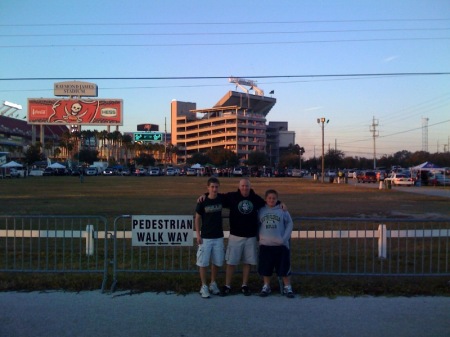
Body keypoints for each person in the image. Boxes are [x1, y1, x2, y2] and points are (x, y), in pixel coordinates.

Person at [198, 178, 286, 296]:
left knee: (247, 262)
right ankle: (227, 285)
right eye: (243, 186)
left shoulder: (255, 198)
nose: (245, 188)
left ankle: (244, 285)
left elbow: (269, 202)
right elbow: (215, 195)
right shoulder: (232, 197)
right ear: (239, 187)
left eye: (247, 186)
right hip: (235, 235)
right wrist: (204, 195)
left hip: (250, 236)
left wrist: (280, 203)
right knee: (231, 262)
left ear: (250, 187)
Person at [258, 189, 294, 298]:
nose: (271, 200)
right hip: (266, 244)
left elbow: (290, 223)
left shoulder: (282, 210)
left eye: (274, 198)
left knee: (284, 267)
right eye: (269, 198)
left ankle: (287, 287)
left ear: (277, 200)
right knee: (266, 268)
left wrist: (284, 238)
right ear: (265, 199)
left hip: (280, 245)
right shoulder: (260, 210)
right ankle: (266, 286)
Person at [195, 177, 225, 298]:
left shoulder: (221, 199)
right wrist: (198, 234)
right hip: (205, 237)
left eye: (216, 187)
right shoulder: (202, 201)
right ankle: (204, 286)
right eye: (212, 187)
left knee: (217, 262)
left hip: (218, 237)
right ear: (208, 187)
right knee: (203, 262)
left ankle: (213, 283)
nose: (214, 189)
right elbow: (197, 218)